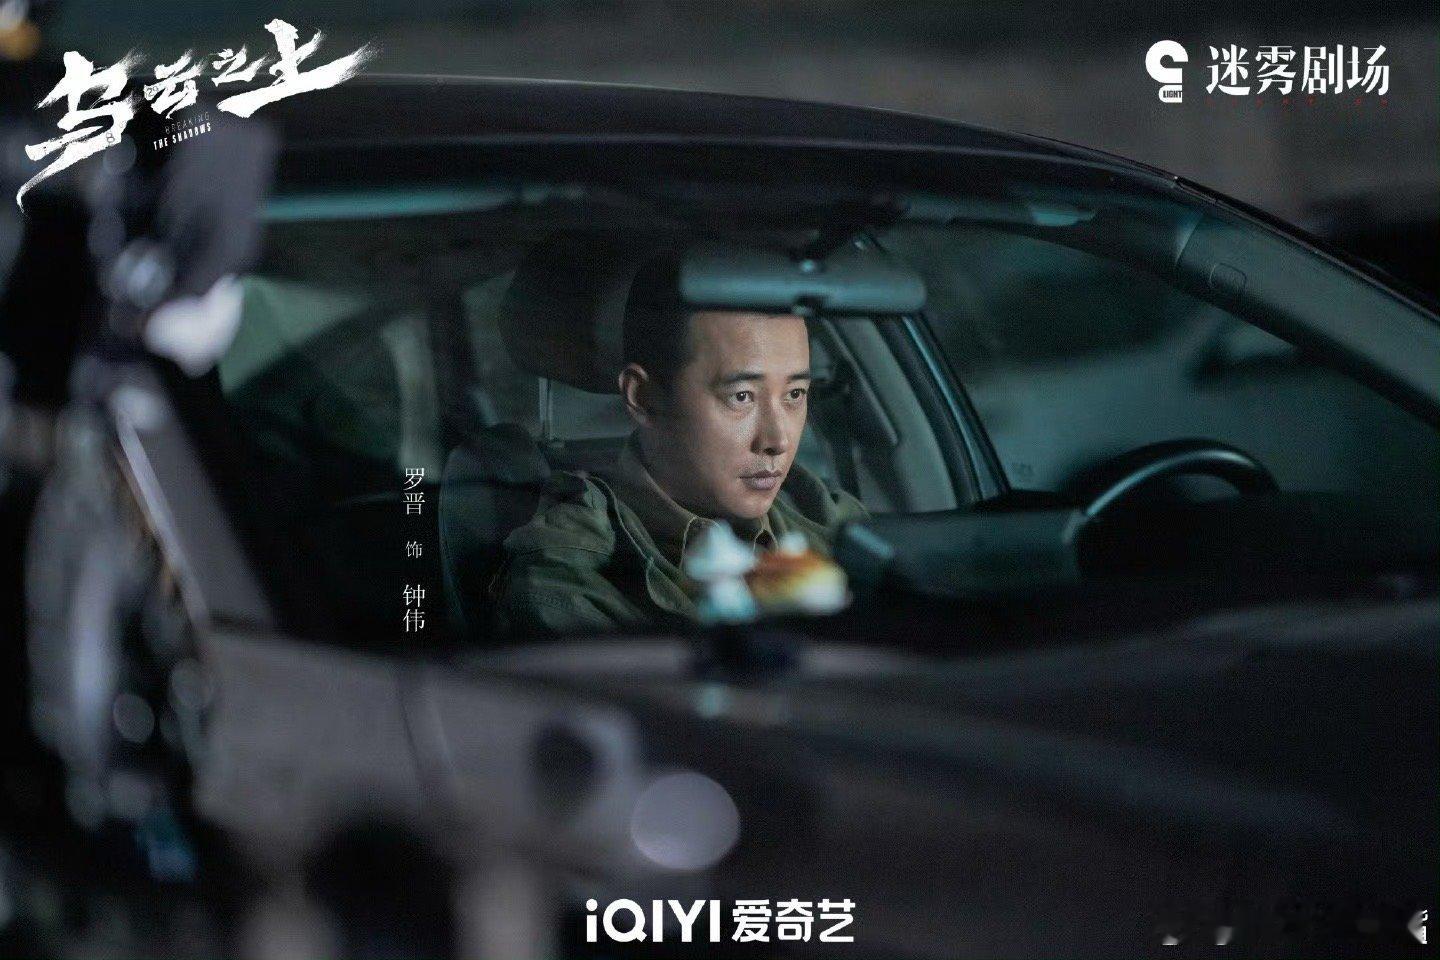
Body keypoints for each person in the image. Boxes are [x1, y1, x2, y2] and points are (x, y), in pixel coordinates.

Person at [493, 254, 867, 635]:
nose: (777, 441)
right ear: (643, 397)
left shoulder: (824, 516)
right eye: (741, 396)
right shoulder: (570, 579)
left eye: (795, 394)